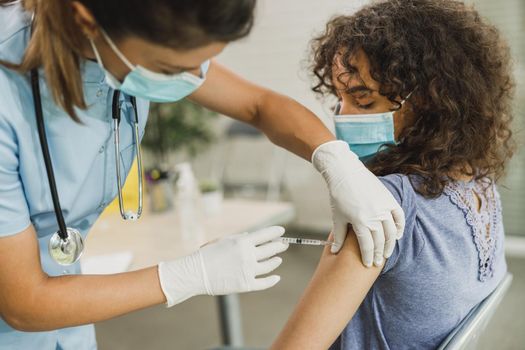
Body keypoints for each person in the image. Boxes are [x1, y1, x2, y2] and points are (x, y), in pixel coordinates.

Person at [0, 0, 405, 348]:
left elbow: (259, 105)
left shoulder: (121, 45)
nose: (192, 79)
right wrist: (185, 276)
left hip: (66, 319)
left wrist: (335, 160)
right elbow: (24, 302)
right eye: (170, 67)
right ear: (86, 19)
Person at [270, 0, 515, 349]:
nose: (344, 118)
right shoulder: (479, 180)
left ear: (431, 99)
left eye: (363, 101)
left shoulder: (380, 207)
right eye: (340, 100)